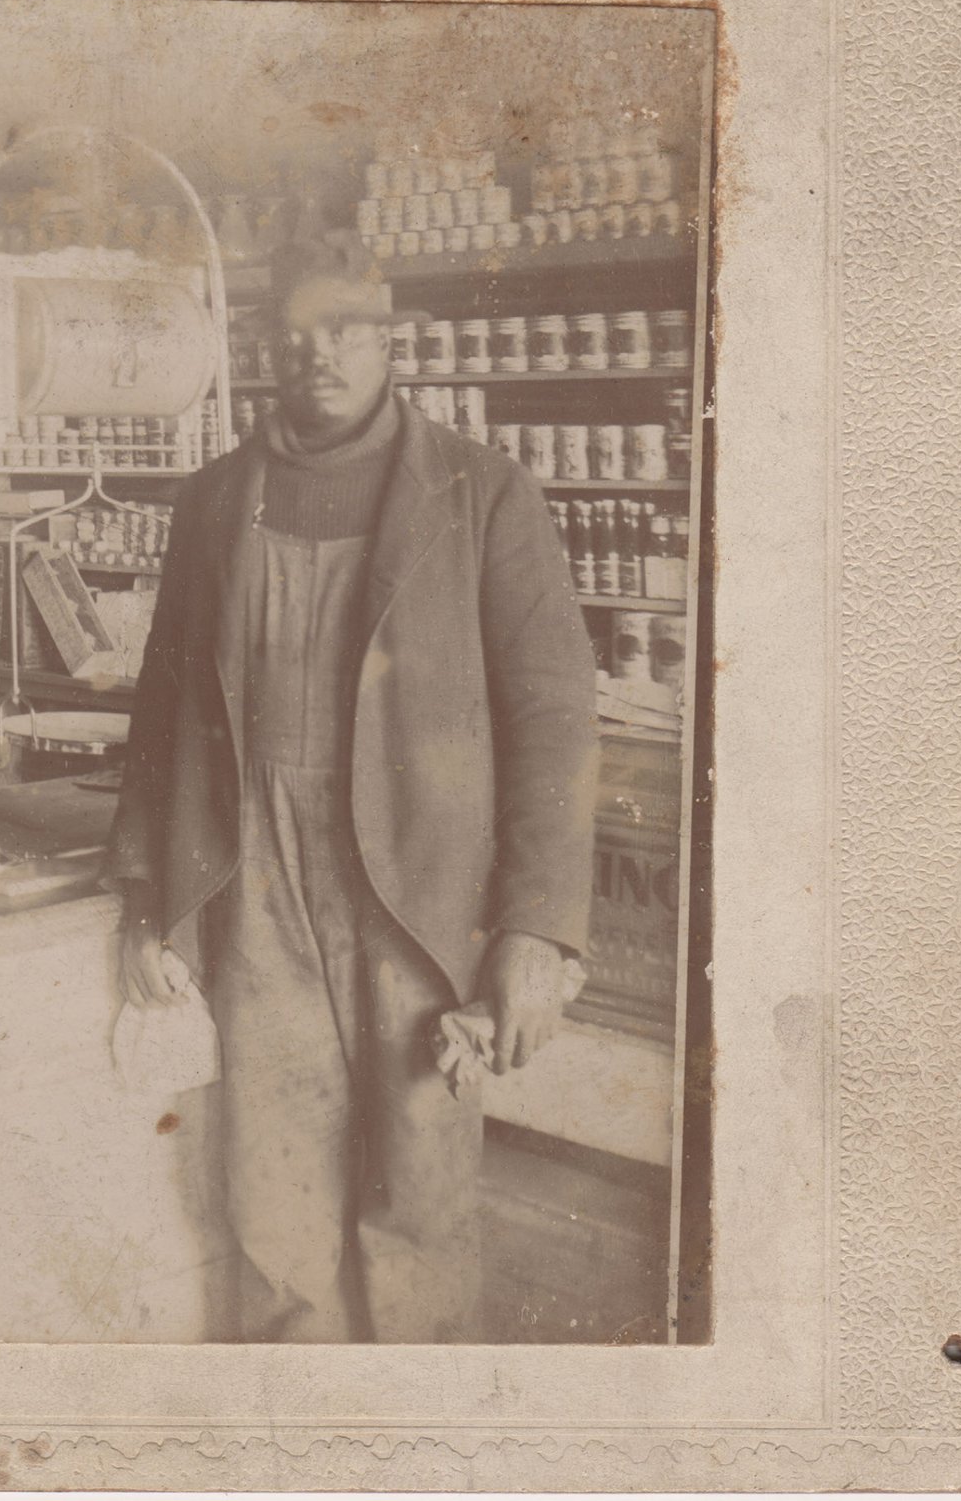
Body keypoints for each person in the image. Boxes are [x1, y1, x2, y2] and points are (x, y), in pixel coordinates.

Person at [106, 268, 598, 1343]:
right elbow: (164, 703)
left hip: (417, 891)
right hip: (256, 881)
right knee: (273, 1199)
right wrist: (151, 893)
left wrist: (535, 927)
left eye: (346, 330)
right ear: (260, 349)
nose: (317, 353)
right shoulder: (212, 501)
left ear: (390, 342)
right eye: (293, 333)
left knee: (418, 1192)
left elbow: (553, 718)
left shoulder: (482, 491)